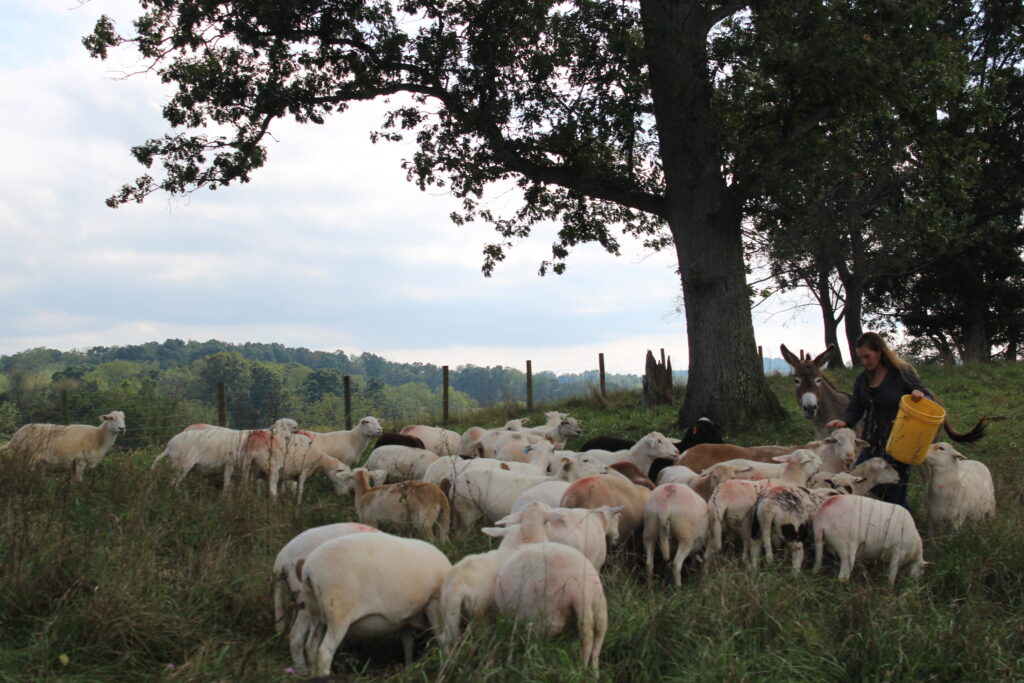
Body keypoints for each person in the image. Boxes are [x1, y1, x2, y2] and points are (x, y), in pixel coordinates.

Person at [826, 332, 932, 509]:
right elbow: (855, 408)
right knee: (858, 481)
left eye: (868, 356)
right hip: (872, 444)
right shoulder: (862, 380)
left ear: (879, 351)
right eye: (861, 358)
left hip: (899, 444)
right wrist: (844, 422)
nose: (865, 362)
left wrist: (920, 396)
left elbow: (926, 395)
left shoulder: (901, 374)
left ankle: (903, 526)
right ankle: (885, 518)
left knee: (896, 496)